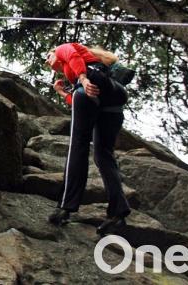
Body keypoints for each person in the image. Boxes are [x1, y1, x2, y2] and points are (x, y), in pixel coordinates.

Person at [45, 42, 131, 235]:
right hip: (113, 99)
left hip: (90, 87)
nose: (47, 61)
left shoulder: (62, 49)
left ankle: (66, 207)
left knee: (78, 146)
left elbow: (73, 56)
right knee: (103, 155)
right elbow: (83, 99)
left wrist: (82, 79)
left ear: (54, 52)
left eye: (48, 56)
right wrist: (62, 92)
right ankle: (118, 213)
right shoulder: (93, 67)